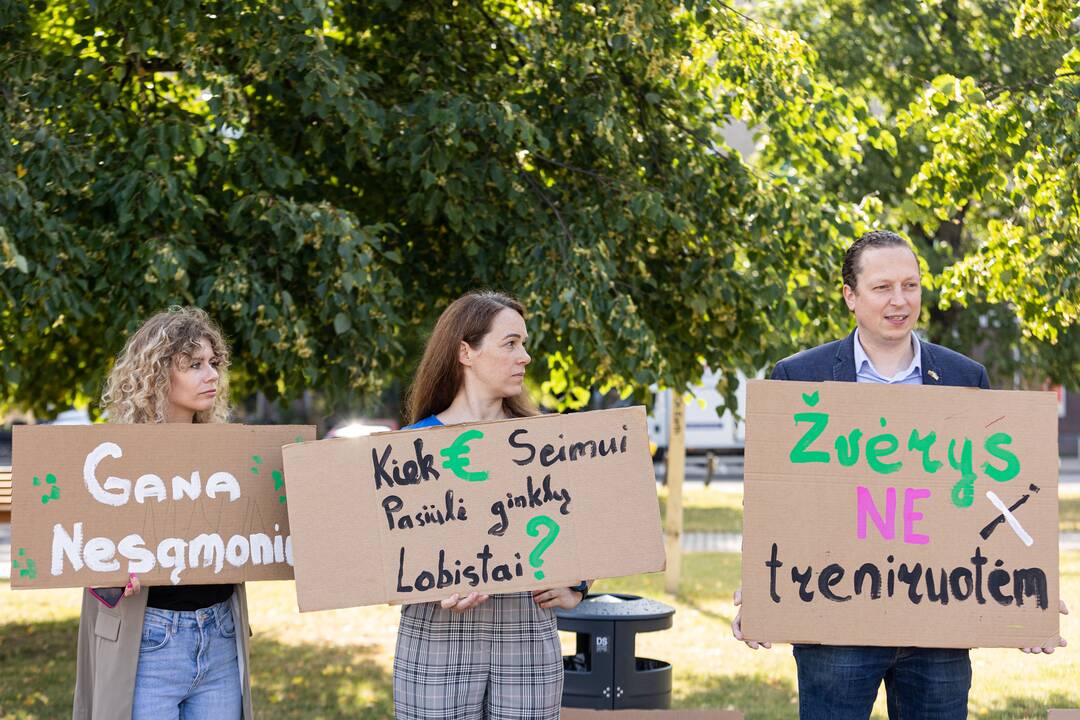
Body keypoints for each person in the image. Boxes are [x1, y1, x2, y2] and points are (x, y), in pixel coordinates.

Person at [730, 231, 1068, 720]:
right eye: (883, 287)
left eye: (910, 285)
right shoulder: (799, 377)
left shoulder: (964, 378)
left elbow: (991, 497)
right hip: (835, 628)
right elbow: (777, 500)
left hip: (939, 629)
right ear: (850, 295)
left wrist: (1022, 594)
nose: (899, 300)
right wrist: (762, 594)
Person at [393, 290, 589, 720]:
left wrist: (578, 585)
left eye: (524, 343)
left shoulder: (543, 442)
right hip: (437, 630)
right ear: (466, 351)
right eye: (511, 343)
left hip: (526, 621)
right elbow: (383, 555)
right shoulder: (411, 447)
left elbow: (586, 521)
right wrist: (428, 582)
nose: (526, 356)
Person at [73, 306, 253, 720]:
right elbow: (82, 553)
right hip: (150, 643)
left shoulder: (228, 455)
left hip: (221, 635)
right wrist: (112, 580)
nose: (211, 375)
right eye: (194, 365)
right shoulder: (113, 460)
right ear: (157, 374)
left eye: (213, 363)